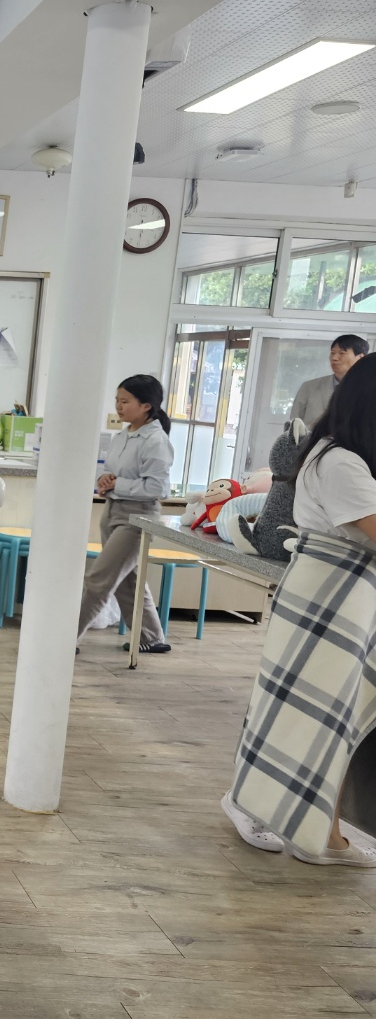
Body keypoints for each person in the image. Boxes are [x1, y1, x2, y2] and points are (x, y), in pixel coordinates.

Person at [224, 354, 376, 867]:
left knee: (332, 719)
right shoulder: (340, 461)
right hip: (331, 598)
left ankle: (323, 832)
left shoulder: (345, 455)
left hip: (341, 599)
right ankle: (257, 807)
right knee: (306, 715)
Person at [76, 375, 175, 656]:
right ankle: (150, 637)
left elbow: (158, 488)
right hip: (112, 511)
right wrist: (105, 479)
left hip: (138, 517)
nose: (118, 406)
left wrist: (118, 484)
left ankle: (66, 638)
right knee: (127, 580)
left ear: (146, 406)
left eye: (125, 401)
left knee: (99, 579)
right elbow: (113, 472)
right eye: (117, 400)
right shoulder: (122, 435)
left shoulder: (156, 441)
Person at [291, 334, 368, 429]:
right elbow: (293, 425)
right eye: (332, 353)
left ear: (360, 358)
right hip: (312, 438)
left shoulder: (368, 391)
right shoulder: (309, 387)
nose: (334, 358)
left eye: (342, 353)